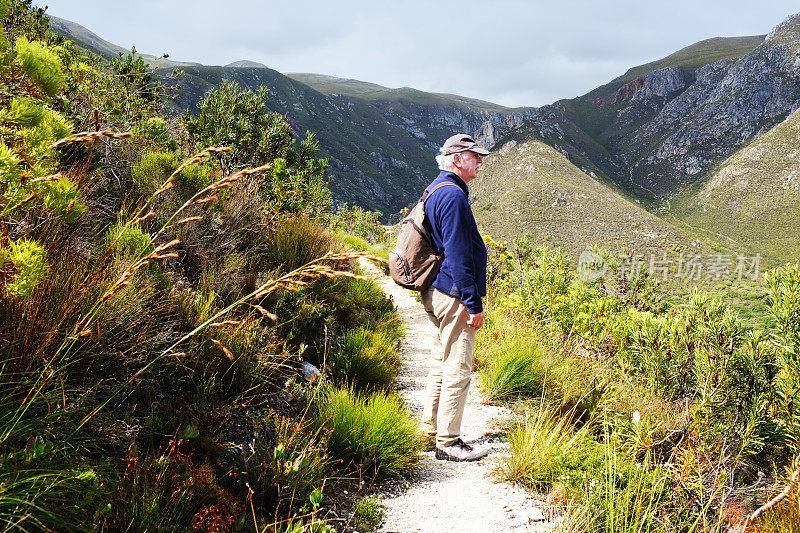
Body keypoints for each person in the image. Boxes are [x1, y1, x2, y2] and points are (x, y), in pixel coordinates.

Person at [420, 133, 489, 462]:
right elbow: (460, 257)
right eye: (475, 156)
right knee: (459, 368)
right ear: (457, 158)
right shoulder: (453, 197)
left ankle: (429, 430)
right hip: (455, 295)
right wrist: (473, 304)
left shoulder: (436, 189)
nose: (479, 161)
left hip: (439, 292)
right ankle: (448, 442)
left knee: (440, 364)